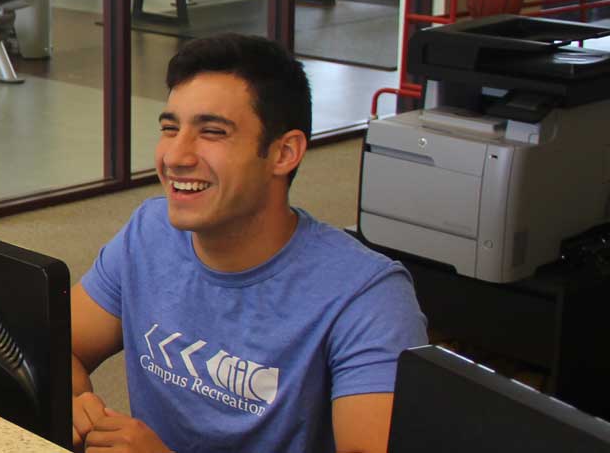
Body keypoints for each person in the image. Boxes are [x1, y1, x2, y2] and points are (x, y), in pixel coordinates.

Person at [69, 34, 426, 453]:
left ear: (284, 153)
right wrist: (77, 405)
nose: (175, 156)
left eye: (212, 132)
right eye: (170, 128)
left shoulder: (368, 297)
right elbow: (59, 344)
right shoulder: (150, 232)